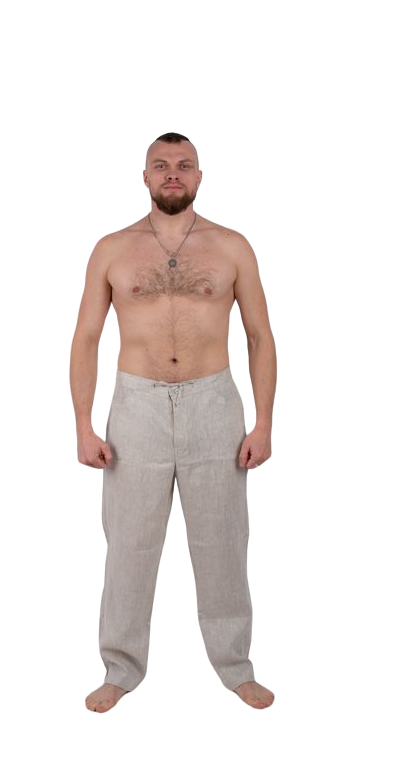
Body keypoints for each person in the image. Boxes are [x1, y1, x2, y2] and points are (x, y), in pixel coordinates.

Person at [70, 132, 277, 713]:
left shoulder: (232, 246)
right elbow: (86, 337)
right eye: (161, 165)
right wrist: (83, 425)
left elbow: (260, 336)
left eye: (184, 165)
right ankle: (120, 669)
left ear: (199, 177)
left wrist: (263, 422)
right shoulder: (112, 248)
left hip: (215, 404)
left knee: (224, 542)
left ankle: (235, 668)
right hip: (135, 406)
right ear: (144, 177)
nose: (172, 174)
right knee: (129, 544)